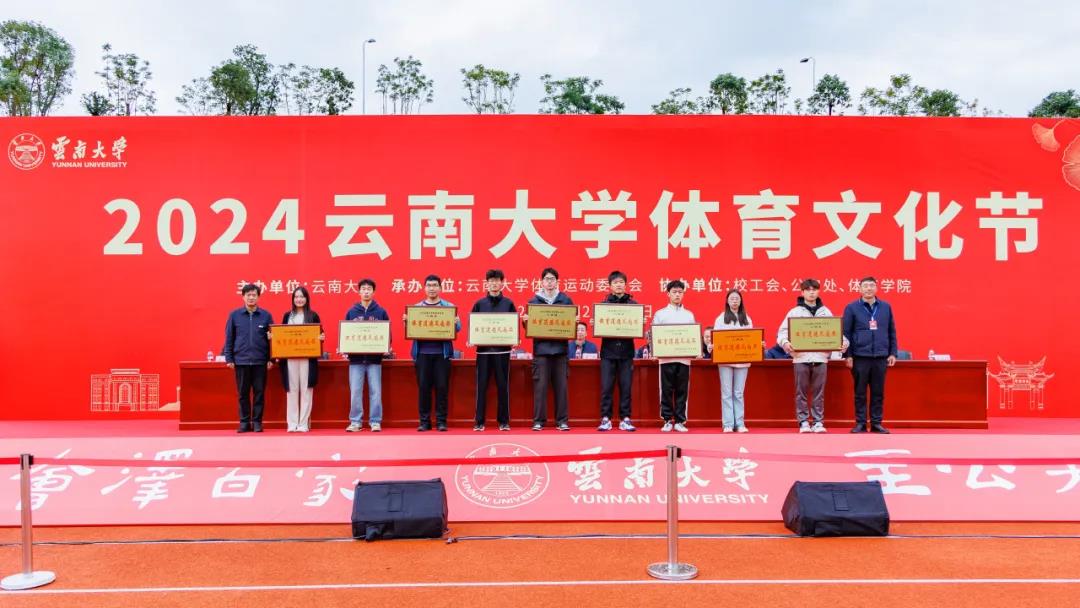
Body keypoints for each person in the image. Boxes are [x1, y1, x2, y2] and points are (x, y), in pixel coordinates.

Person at [777, 279, 848, 434]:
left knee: (818, 393)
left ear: (818, 291)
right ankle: (803, 422)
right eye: (808, 290)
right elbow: (781, 334)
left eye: (814, 289)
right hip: (801, 358)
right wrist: (785, 343)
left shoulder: (825, 312)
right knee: (800, 393)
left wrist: (843, 343)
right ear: (802, 292)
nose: (811, 292)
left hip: (820, 358)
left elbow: (836, 333)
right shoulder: (794, 312)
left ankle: (818, 422)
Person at [842, 276, 898, 434]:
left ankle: (876, 423)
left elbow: (891, 331)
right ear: (860, 289)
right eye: (865, 286)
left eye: (872, 285)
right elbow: (846, 333)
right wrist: (848, 355)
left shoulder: (885, 307)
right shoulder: (851, 307)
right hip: (860, 356)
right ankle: (860, 423)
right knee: (860, 393)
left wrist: (892, 352)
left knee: (878, 393)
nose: (868, 288)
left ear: (876, 288)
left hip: (880, 356)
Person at [407, 274, 460, 432]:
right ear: (424, 288)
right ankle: (424, 422)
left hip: (442, 355)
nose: (432, 288)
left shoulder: (448, 307)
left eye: (435, 285)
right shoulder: (416, 308)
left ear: (440, 288)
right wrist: (407, 323)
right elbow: (411, 330)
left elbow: (457, 329)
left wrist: (456, 323)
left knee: (442, 388)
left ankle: (441, 421)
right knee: (424, 388)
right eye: (429, 285)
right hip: (422, 354)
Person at [522, 267, 573, 431]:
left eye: (552, 279)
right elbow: (529, 328)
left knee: (561, 388)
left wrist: (574, 322)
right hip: (541, 351)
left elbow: (570, 326)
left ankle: (562, 421)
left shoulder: (566, 300)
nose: (549, 282)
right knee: (540, 387)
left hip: (560, 351)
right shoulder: (534, 302)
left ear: (557, 282)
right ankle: (538, 421)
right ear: (542, 282)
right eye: (547, 279)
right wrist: (525, 322)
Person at [223, 284, 274, 433]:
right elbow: (229, 338)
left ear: (258, 297)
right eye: (248, 295)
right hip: (241, 361)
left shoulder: (266, 316)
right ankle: (244, 422)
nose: (251, 297)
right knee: (243, 394)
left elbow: (272, 340)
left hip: (260, 361)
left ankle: (257, 422)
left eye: (254, 295)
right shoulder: (234, 315)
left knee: (259, 393)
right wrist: (229, 358)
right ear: (243, 297)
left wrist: (271, 359)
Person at [471, 269, 516, 431]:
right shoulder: (479, 304)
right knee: (481, 386)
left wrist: (513, 338)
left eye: (497, 280)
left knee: (503, 386)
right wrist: (472, 338)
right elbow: (473, 326)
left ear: (502, 283)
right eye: (491, 281)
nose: (494, 283)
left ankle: (503, 421)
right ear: (487, 283)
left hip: (502, 352)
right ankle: (479, 422)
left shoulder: (508, 304)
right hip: (483, 352)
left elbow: (513, 326)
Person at [345, 278, 390, 433]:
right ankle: (355, 421)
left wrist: (386, 346)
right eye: (363, 289)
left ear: (373, 292)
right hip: (356, 360)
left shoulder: (381, 312)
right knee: (355, 392)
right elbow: (346, 334)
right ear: (359, 291)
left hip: (374, 360)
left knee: (375, 391)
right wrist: (345, 347)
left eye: (369, 289)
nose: (366, 291)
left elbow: (387, 334)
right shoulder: (351, 312)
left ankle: (375, 421)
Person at [276, 286, 323, 432]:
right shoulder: (287, 316)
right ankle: (292, 423)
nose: (299, 299)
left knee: (306, 389)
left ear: (307, 299)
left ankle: (303, 423)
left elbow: (320, 333)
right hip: (290, 358)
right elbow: (281, 335)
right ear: (293, 299)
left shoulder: (313, 315)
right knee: (292, 390)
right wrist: (273, 338)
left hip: (308, 358)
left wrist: (321, 337)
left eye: (302, 296)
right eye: (296, 297)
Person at [596, 270, 638, 432]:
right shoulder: (604, 305)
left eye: (621, 282)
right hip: (608, 352)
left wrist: (638, 323)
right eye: (615, 282)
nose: (618, 285)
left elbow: (636, 327)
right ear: (610, 286)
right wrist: (597, 323)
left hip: (626, 352)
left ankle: (625, 418)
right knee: (606, 387)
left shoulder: (633, 305)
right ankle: (605, 418)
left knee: (626, 387)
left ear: (625, 285)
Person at [652, 280, 695, 432]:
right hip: (665, 359)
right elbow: (654, 335)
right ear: (668, 294)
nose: (677, 295)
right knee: (666, 390)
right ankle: (667, 420)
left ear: (683, 294)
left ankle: (680, 421)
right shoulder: (660, 314)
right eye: (674, 292)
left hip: (684, 359)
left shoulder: (689, 315)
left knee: (682, 390)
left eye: (680, 292)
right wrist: (654, 351)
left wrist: (695, 350)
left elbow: (693, 337)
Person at [714, 289, 756, 433]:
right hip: (725, 361)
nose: (734, 301)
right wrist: (712, 346)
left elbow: (751, 337)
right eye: (732, 298)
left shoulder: (747, 319)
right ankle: (727, 424)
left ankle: (739, 423)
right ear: (727, 301)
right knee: (726, 393)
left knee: (738, 393)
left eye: (737, 298)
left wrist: (758, 344)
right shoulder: (720, 319)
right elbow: (715, 338)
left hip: (742, 361)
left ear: (741, 301)